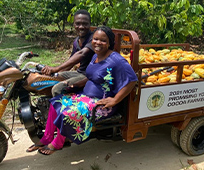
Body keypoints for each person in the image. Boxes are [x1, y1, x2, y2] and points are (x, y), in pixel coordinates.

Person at [27, 26, 138, 155]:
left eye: (103, 40)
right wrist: (78, 84)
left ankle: (58, 142)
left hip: (101, 103)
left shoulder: (116, 60)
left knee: (67, 113)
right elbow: (92, 76)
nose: (98, 43)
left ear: (109, 43)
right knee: (54, 103)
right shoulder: (95, 57)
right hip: (85, 97)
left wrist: (115, 100)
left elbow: (132, 80)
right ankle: (47, 137)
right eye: (95, 39)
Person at [42, 9, 95, 97]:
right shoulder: (76, 41)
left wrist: (55, 68)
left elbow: (82, 53)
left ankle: (62, 110)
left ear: (90, 24)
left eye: (85, 24)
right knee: (48, 80)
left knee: (57, 89)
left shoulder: (94, 39)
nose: (81, 27)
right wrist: (56, 74)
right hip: (79, 73)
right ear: (73, 24)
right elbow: (71, 62)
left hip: (88, 76)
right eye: (78, 23)